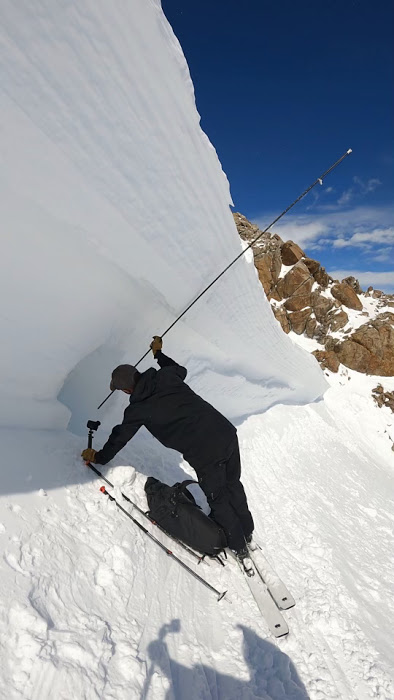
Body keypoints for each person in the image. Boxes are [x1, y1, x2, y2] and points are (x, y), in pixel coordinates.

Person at [82, 336, 254, 563]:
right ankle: (247, 529)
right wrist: (158, 354)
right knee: (233, 483)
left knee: (218, 497)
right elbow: (178, 369)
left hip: (205, 452)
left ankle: (239, 546)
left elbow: (120, 437)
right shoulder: (165, 375)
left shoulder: (138, 409)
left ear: (125, 391)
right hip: (225, 433)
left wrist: (99, 457)